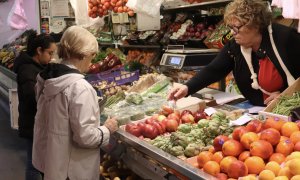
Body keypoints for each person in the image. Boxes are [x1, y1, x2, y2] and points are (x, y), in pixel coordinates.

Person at [168, 0, 300, 106]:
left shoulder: (285, 38)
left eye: (236, 28)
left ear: (255, 24)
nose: (232, 33)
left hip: (291, 114)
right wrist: (187, 88)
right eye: (230, 28)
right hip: (257, 112)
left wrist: (285, 96)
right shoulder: (236, 46)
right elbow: (214, 69)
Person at [32, 26, 118, 180]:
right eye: (92, 55)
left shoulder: (46, 77)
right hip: (71, 170)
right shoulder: (80, 88)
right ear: (83, 55)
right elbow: (86, 138)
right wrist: (107, 129)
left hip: (50, 162)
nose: (91, 62)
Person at [13, 31, 56, 180]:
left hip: (35, 122)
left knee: (39, 162)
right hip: (32, 123)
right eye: (50, 53)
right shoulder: (28, 70)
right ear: (39, 51)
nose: (51, 57)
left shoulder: (35, 67)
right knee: (34, 165)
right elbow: (33, 97)